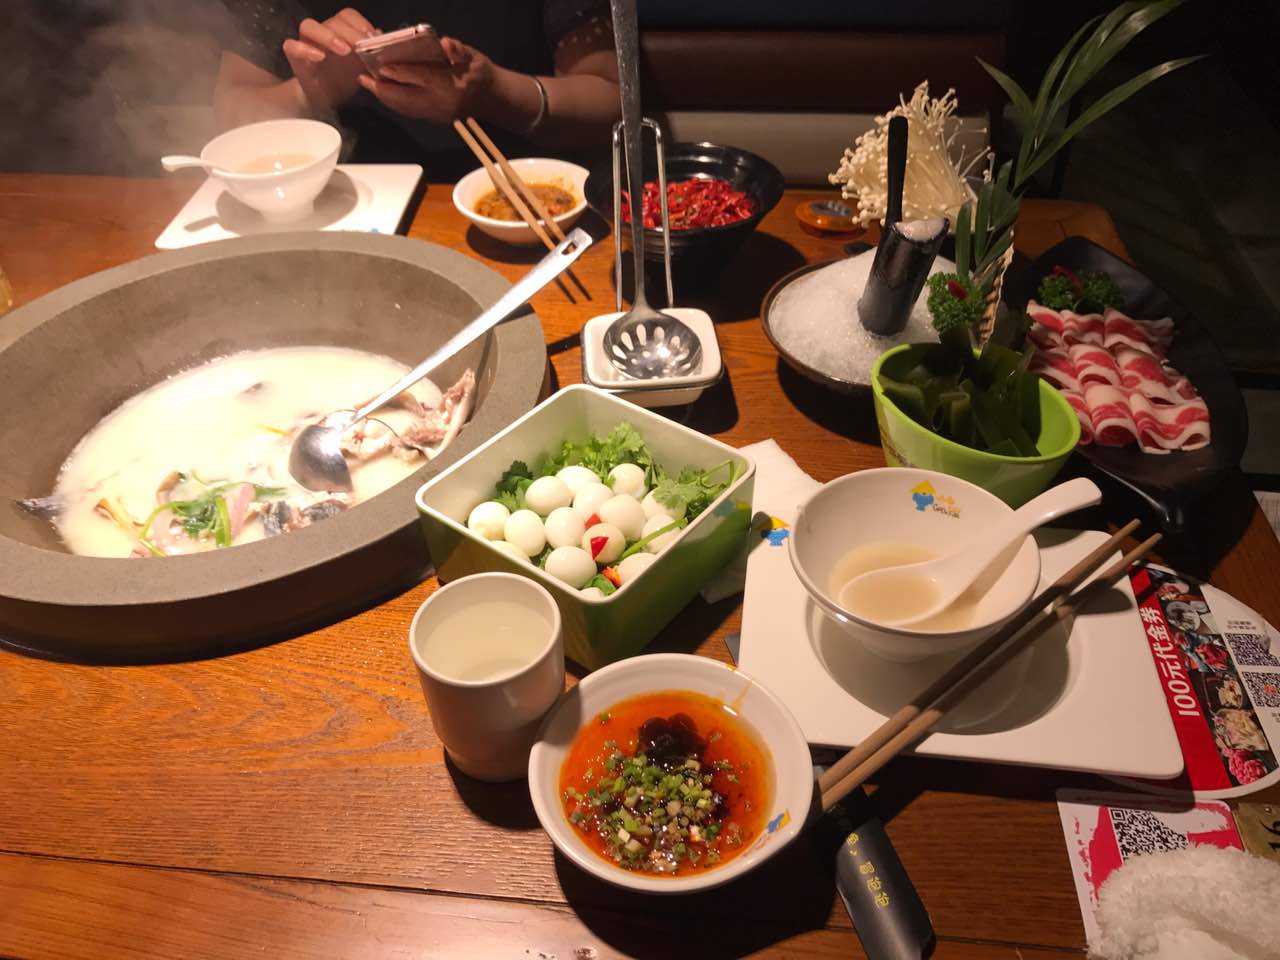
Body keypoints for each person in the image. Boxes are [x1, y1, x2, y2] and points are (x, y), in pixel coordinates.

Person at [214, 2, 619, 176]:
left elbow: (613, 101)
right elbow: (231, 112)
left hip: (525, 202)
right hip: (344, 213)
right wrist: (309, 95)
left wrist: (495, 93)